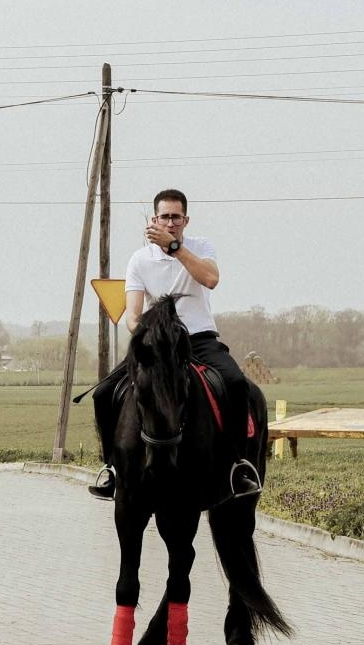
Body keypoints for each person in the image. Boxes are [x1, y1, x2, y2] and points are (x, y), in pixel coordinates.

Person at [88, 188, 261, 501]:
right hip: (158, 347)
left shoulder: (200, 248)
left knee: (236, 384)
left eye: (176, 217)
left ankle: (238, 464)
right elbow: (133, 314)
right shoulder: (140, 260)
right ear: (155, 219)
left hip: (199, 339)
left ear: (186, 220)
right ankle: (112, 468)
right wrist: (146, 337)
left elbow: (210, 279)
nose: (170, 222)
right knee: (102, 394)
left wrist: (175, 248)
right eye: (165, 217)